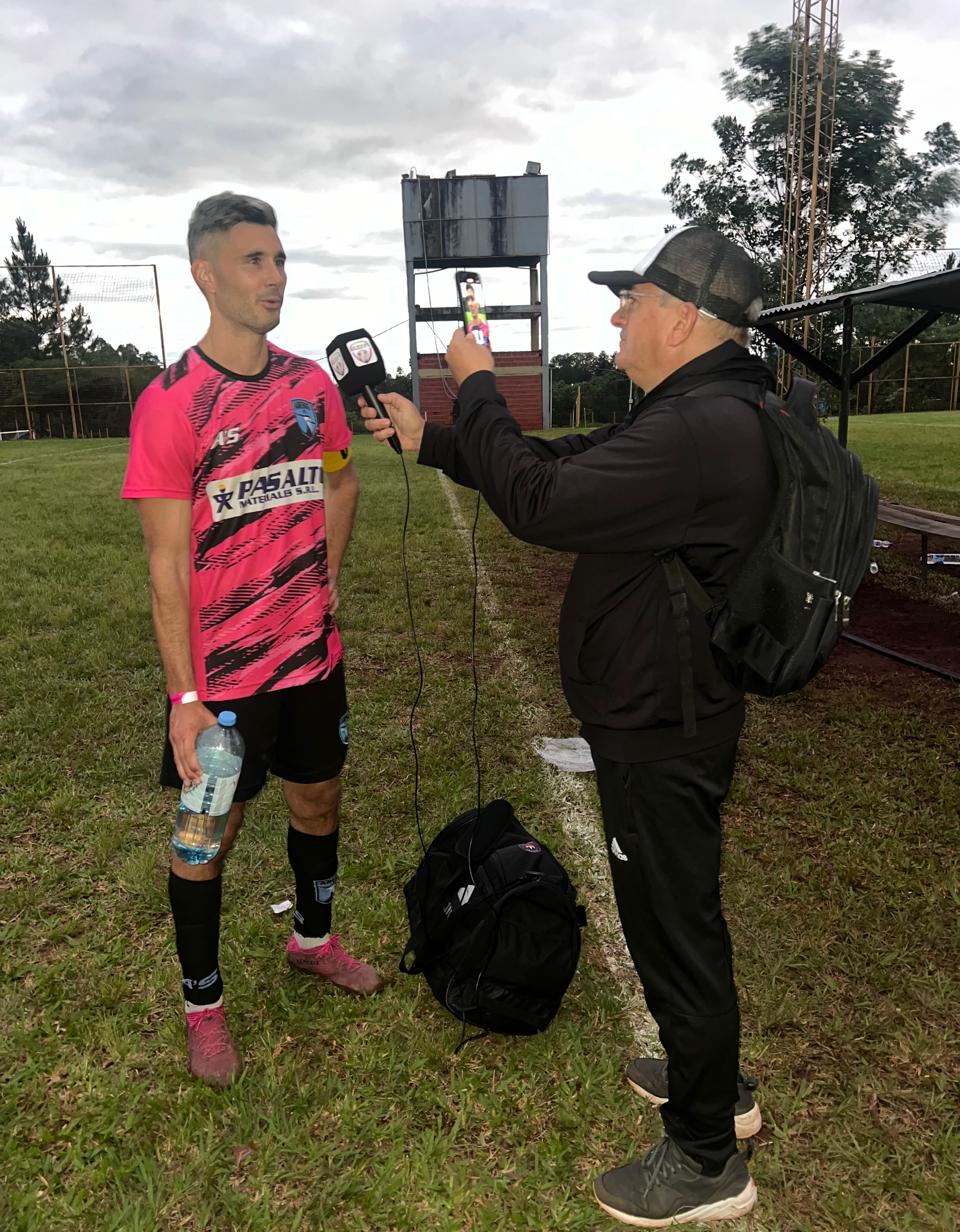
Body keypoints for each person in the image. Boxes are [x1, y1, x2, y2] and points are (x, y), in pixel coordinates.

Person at [360, 227, 775, 1226]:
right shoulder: (695, 412)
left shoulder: (700, 427)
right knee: (675, 909)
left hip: (662, 722)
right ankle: (712, 1082)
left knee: (672, 922)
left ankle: (707, 1158)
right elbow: (560, 466)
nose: (618, 316)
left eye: (635, 300)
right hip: (667, 706)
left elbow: (539, 501)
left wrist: (478, 383)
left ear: (684, 318)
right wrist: (435, 439)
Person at [122, 191, 382, 1089]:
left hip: (310, 658)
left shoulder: (312, 387)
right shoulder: (171, 403)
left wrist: (326, 577)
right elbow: (166, 564)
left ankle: (313, 940)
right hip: (224, 677)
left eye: (279, 260)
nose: (275, 277)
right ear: (206, 274)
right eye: (253, 261)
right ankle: (204, 1006)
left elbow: (340, 481)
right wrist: (184, 700)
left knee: (319, 802)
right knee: (207, 835)